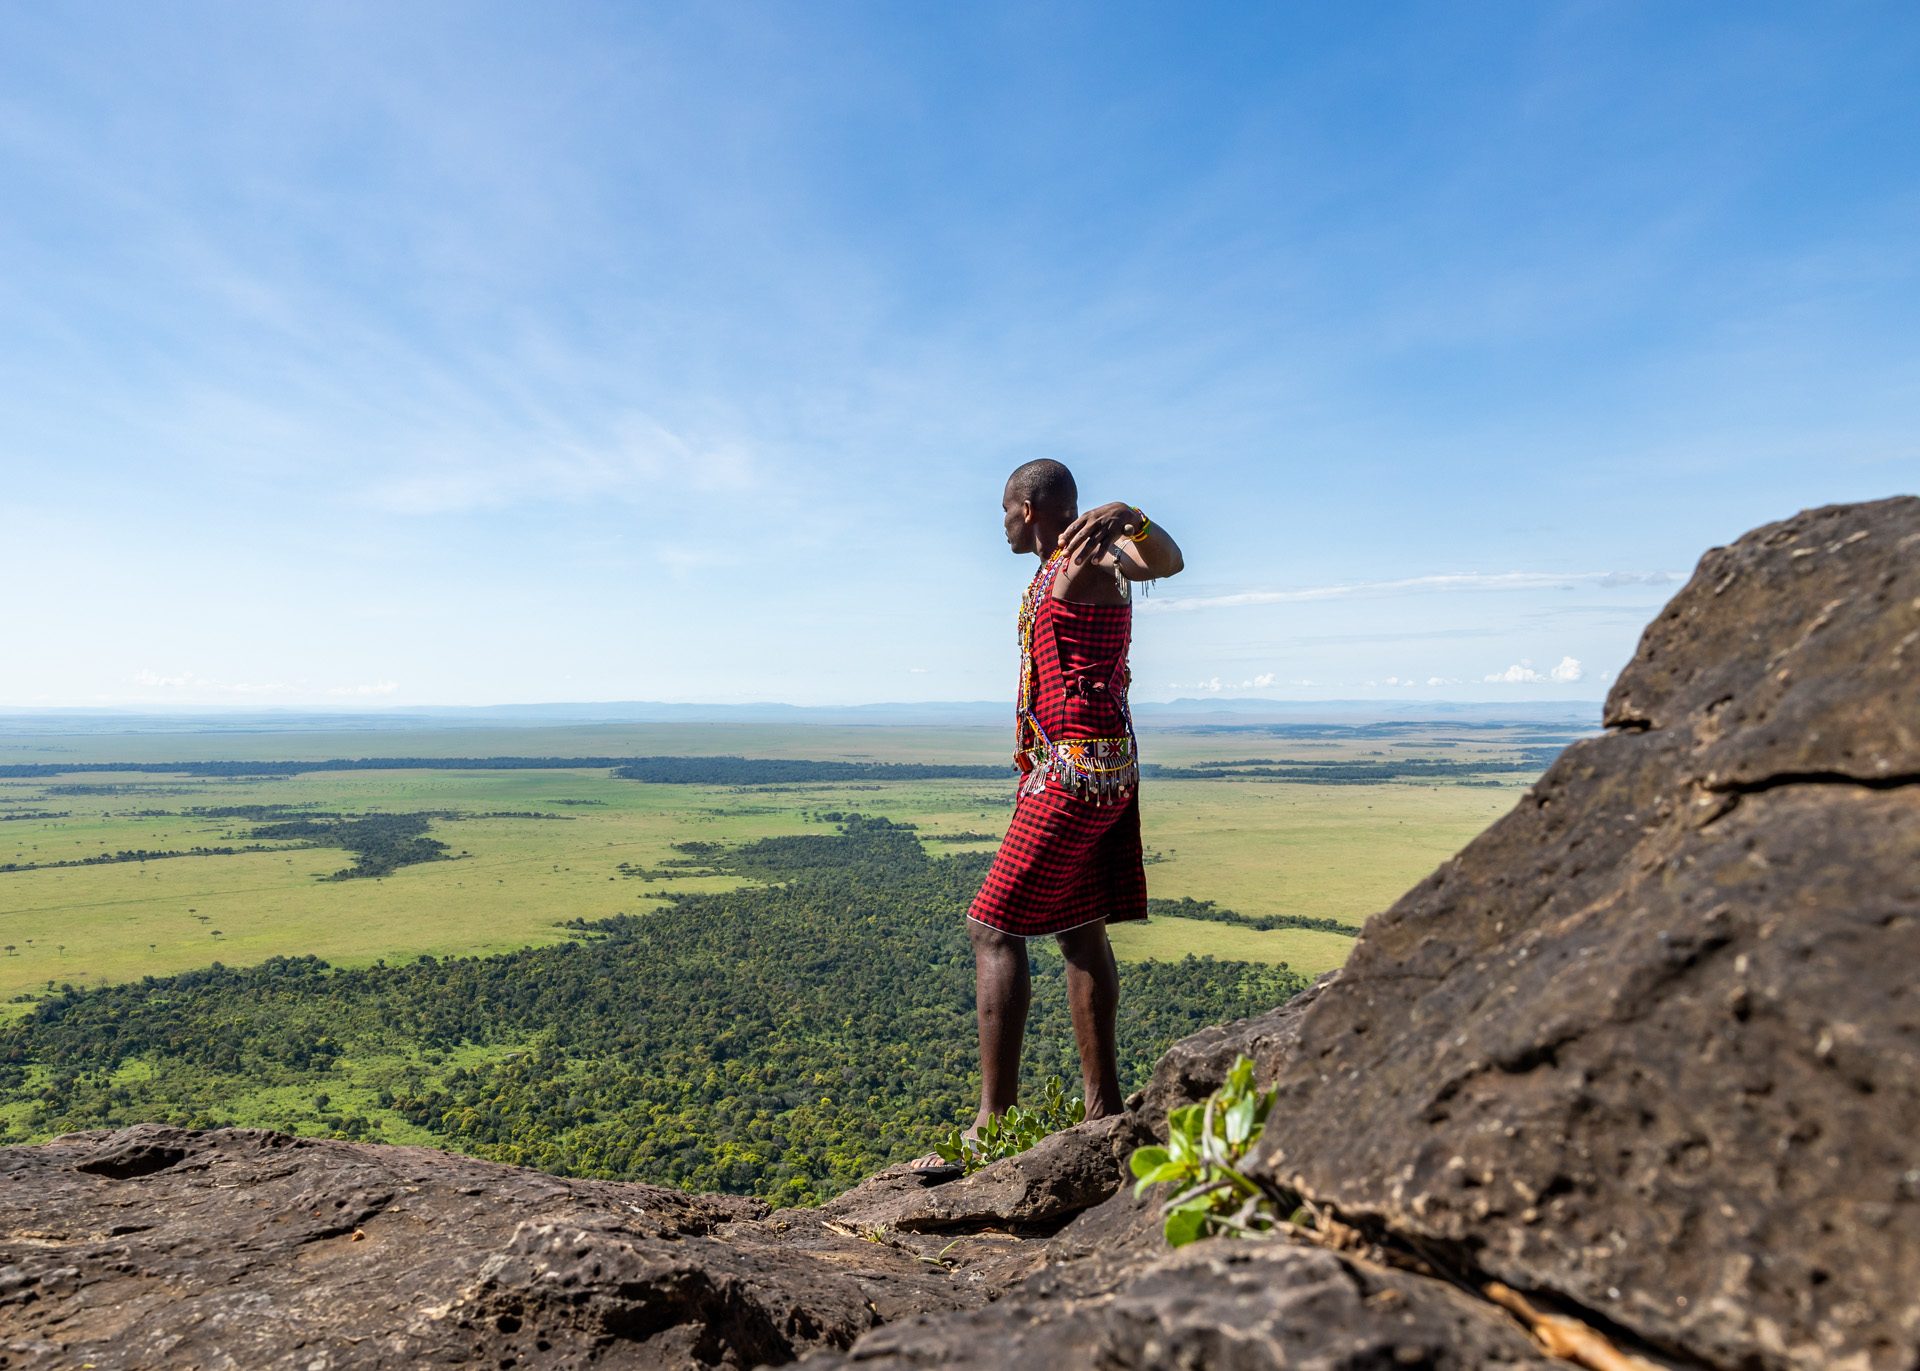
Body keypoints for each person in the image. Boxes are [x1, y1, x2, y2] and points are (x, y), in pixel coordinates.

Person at [915, 459, 1184, 1172]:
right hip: (1092, 766)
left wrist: (1130, 513)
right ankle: (1106, 1110)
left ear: (1029, 507)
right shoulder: (1064, 562)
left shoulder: (1087, 553)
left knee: (992, 926)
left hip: (1078, 771)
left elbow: (1170, 560)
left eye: (1005, 510)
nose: (1000, 524)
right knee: (1077, 924)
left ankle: (990, 1121)